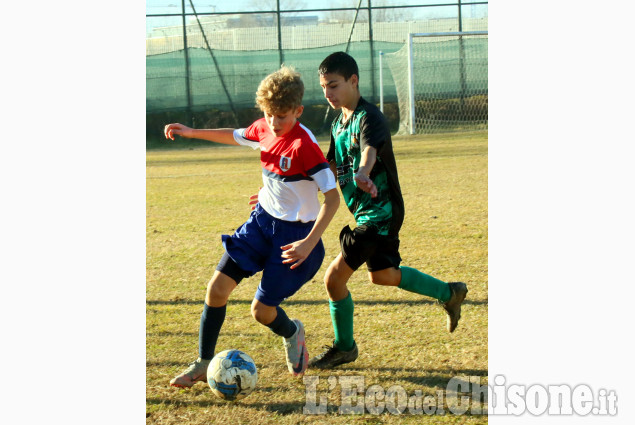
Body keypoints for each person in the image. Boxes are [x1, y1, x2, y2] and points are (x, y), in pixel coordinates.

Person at [163, 66, 340, 387]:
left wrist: (309, 243)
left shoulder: (305, 146)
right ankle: (204, 362)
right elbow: (236, 135)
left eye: (282, 116)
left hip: (296, 238)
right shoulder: (265, 127)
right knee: (216, 289)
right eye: (269, 114)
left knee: (261, 311)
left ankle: (292, 332)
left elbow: (331, 197)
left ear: (298, 111)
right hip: (261, 224)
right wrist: (190, 132)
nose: (274, 123)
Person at [308, 52, 468, 370]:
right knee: (383, 276)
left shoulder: (370, 117)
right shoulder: (338, 123)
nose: (328, 93)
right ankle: (449, 293)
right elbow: (328, 165)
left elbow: (369, 150)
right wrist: (289, 189)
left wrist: (364, 172)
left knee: (333, 280)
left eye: (334, 85)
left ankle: (344, 347)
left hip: (379, 213)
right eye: (324, 87)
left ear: (354, 81)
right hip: (367, 213)